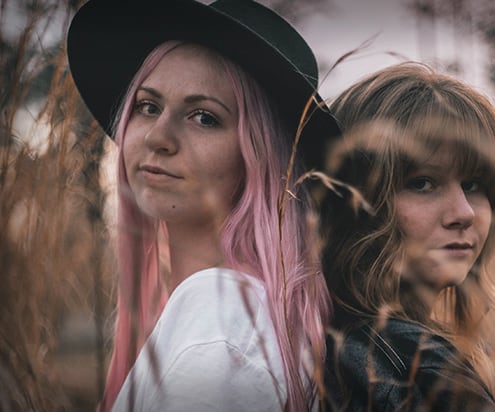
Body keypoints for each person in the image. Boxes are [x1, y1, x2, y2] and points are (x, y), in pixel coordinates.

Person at [66, 0, 340, 411]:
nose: (159, 136)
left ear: (261, 155)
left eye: (204, 117)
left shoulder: (223, 326)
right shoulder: (234, 315)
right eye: (147, 106)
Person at [315, 63, 495, 411]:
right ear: (353, 202)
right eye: (422, 183)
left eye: (473, 185)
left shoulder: (439, 357)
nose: (464, 213)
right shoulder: (390, 371)